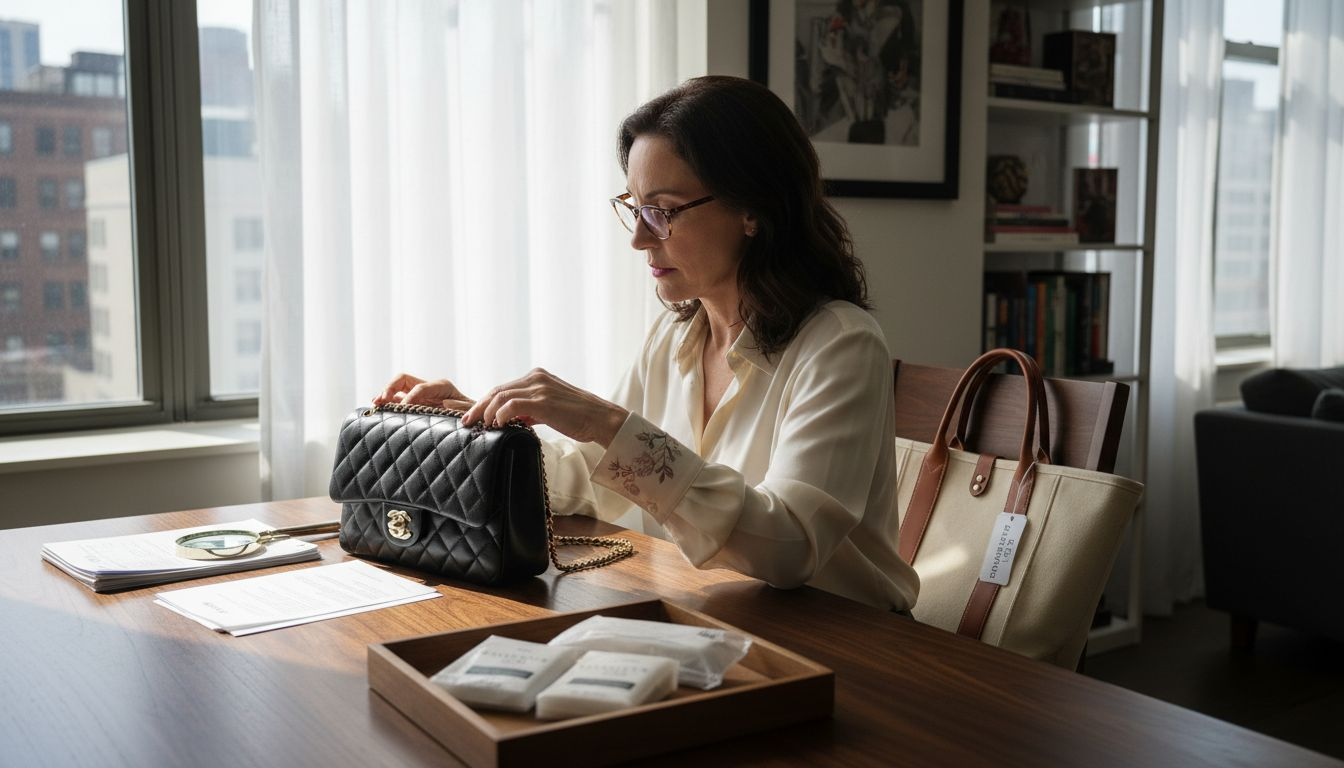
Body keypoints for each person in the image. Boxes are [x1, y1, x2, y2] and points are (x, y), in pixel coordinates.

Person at [373, 76, 918, 613]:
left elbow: (790, 547)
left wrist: (607, 424)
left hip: (847, 643)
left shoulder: (841, 345)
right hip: (710, 618)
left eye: (664, 210)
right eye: (634, 207)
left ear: (753, 209)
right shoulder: (676, 335)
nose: (639, 237)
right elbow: (593, 480)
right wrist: (480, 430)